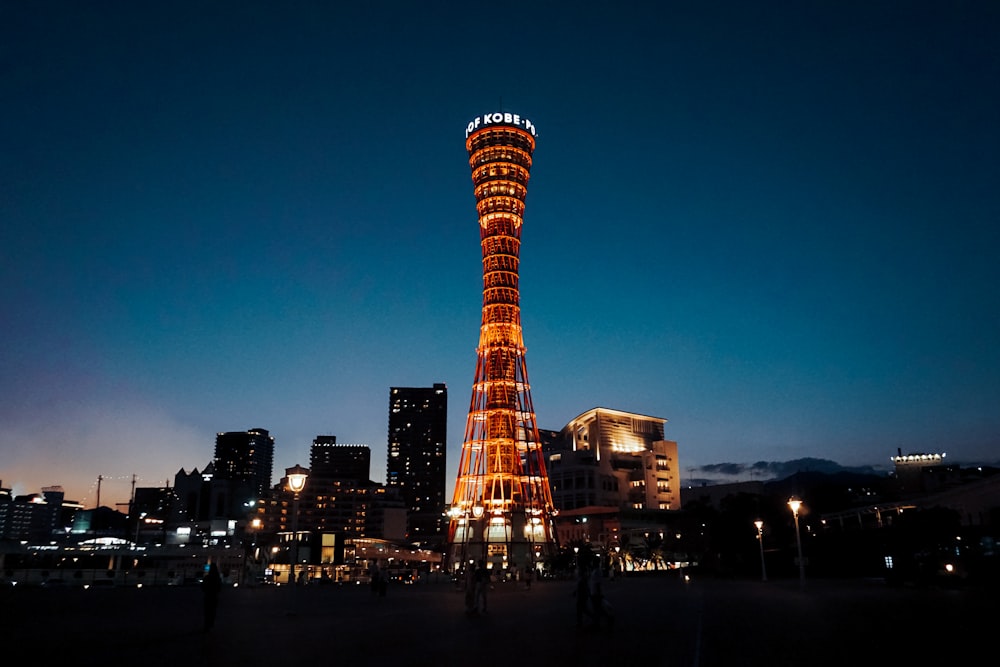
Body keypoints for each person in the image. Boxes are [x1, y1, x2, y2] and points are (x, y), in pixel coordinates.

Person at [201, 563, 222, 632]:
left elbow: (203, 587)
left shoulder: (207, 577)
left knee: (207, 611)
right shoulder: (217, 578)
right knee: (212, 611)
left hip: (207, 596)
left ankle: (206, 625)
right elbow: (219, 588)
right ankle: (210, 625)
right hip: (214, 596)